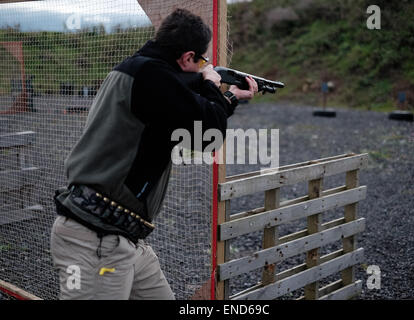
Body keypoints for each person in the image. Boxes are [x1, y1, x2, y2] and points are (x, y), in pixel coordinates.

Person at [50, 8, 258, 300]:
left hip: (125, 238)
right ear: (187, 58)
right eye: (200, 61)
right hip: (95, 241)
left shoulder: (140, 69)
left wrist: (229, 98)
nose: (202, 67)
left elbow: (191, 124)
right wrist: (211, 83)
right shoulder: (153, 77)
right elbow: (208, 134)